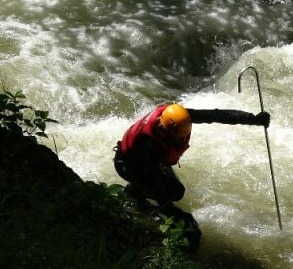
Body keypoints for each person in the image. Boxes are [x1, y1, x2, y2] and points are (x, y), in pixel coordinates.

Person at [113, 103, 270, 251]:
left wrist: (252, 119)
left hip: (150, 163)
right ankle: (135, 200)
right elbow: (155, 183)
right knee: (166, 197)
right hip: (131, 166)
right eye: (177, 138)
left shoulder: (177, 115)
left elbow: (214, 115)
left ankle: (134, 193)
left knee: (177, 191)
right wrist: (176, 216)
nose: (181, 140)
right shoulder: (150, 145)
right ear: (164, 128)